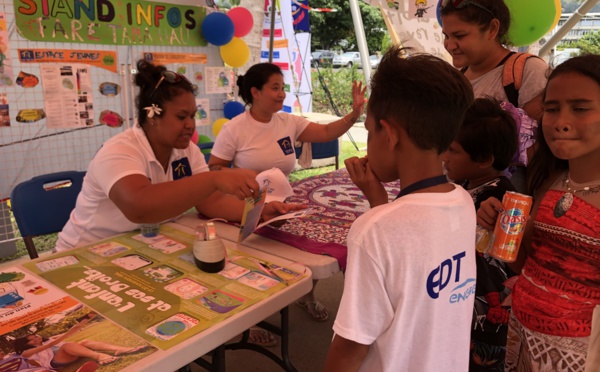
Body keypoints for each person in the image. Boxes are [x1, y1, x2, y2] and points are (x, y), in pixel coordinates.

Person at [55, 59, 304, 346]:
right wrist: (214, 179)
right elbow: (140, 207)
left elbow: (209, 202)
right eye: (182, 117)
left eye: (193, 116)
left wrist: (258, 213)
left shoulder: (187, 152)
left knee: (214, 279)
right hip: (84, 259)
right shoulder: (120, 150)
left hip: (140, 251)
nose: (190, 126)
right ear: (152, 117)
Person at [324, 46, 477, 371]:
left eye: (369, 131)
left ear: (390, 134)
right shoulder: (464, 202)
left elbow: (350, 349)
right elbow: (412, 269)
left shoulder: (374, 231)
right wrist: (377, 200)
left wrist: (377, 213)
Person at [208, 62, 366, 323]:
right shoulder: (234, 129)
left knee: (313, 245)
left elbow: (326, 132)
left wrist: (354, 114)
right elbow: (215, 169)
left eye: (282, 88)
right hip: (247, 208)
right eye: (275, 88)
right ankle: (250, 319)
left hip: (285, 203)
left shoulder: (288, 122)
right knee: (257, 263)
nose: (281, 94)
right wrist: (241, 183)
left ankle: (307, 295)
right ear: (255, 92)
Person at [476, 54, 600, 372]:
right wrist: (498, 229)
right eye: (552, 108)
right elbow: (529, 265)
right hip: (526, 342)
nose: (560, 121)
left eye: (580, 108)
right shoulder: (548, 179)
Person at [442, 97, 518, 371]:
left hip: (487, 315)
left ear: (484, 159)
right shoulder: (465, 182)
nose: (444, 157)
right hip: (465, 302)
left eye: (452, 150)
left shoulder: (502, 200)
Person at [440, 0, 548, 192]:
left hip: (507, 200)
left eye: (459, 35)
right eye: (446, 36)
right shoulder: (456, 80)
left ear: (492, 29)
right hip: (460, 194)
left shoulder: (526, 70)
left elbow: (545, 145)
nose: (449, 45)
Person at [13, 315, 147, 368]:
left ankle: (120, 349)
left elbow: (74, 329)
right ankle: (100, 356)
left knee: (85, 341)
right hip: (57, 362)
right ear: (27, 344)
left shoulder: (51, 340)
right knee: (67, 345)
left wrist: (88, 317)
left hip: (70, 354)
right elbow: (51, 345)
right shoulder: (27, 352)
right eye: (33, 338)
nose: (37, 337)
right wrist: (65, 336)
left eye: (36, 335)